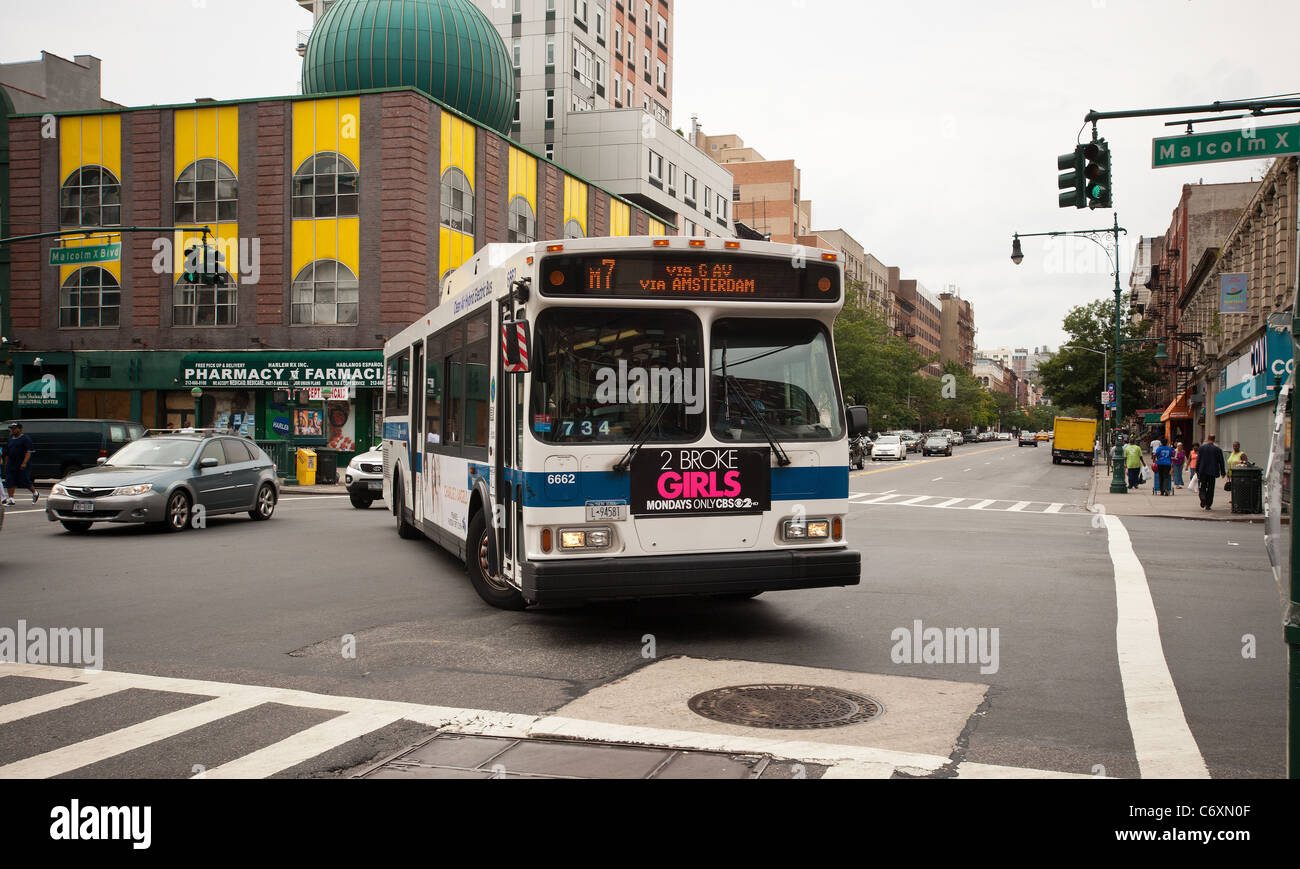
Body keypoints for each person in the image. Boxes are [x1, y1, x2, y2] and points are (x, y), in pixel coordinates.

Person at [4, 422, 38, 503]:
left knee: (24, 480)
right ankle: (11, 499)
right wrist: (6, 463)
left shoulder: (25, 439)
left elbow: (29, 451)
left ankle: (35, 493)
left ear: (20, 429)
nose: (13, 430)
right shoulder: (10, 439)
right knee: (9, 480)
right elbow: (7, 453)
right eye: (11, 428)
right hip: (11, 463)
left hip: (21, 463)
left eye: (14, 428)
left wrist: (24, 463)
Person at [1196, 435, 1227, 510]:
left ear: (1207, 439)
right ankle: (1208, 504)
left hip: (1203, 470)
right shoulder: (1217, 449)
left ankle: (1203, 497)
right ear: (1214, 439)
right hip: (1213, 471)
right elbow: (1221, 461)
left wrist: (1197, 470)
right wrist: (1223, 472)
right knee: (1211, 488)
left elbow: (1198, 460)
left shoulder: (1201, 448)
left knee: (1202, 486)